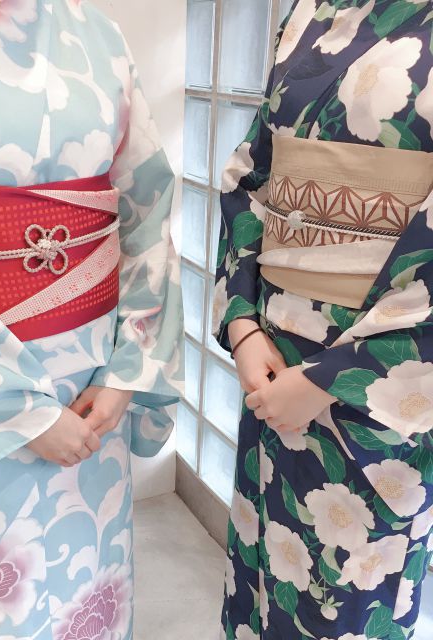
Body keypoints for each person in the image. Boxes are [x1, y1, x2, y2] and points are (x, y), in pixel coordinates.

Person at [0, 1, 183, 638]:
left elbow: (147, 209)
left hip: (93, 386)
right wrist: (18, 411)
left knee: (87, 592)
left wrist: (126, 370)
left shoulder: (97, 34)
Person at [214, 1, 433, 638]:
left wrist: (331, 378)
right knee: (261, 579)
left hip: (376, 397)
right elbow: (252, 173)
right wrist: (242, 323)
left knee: (345, 601)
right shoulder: (311, 11)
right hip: (271, 362)